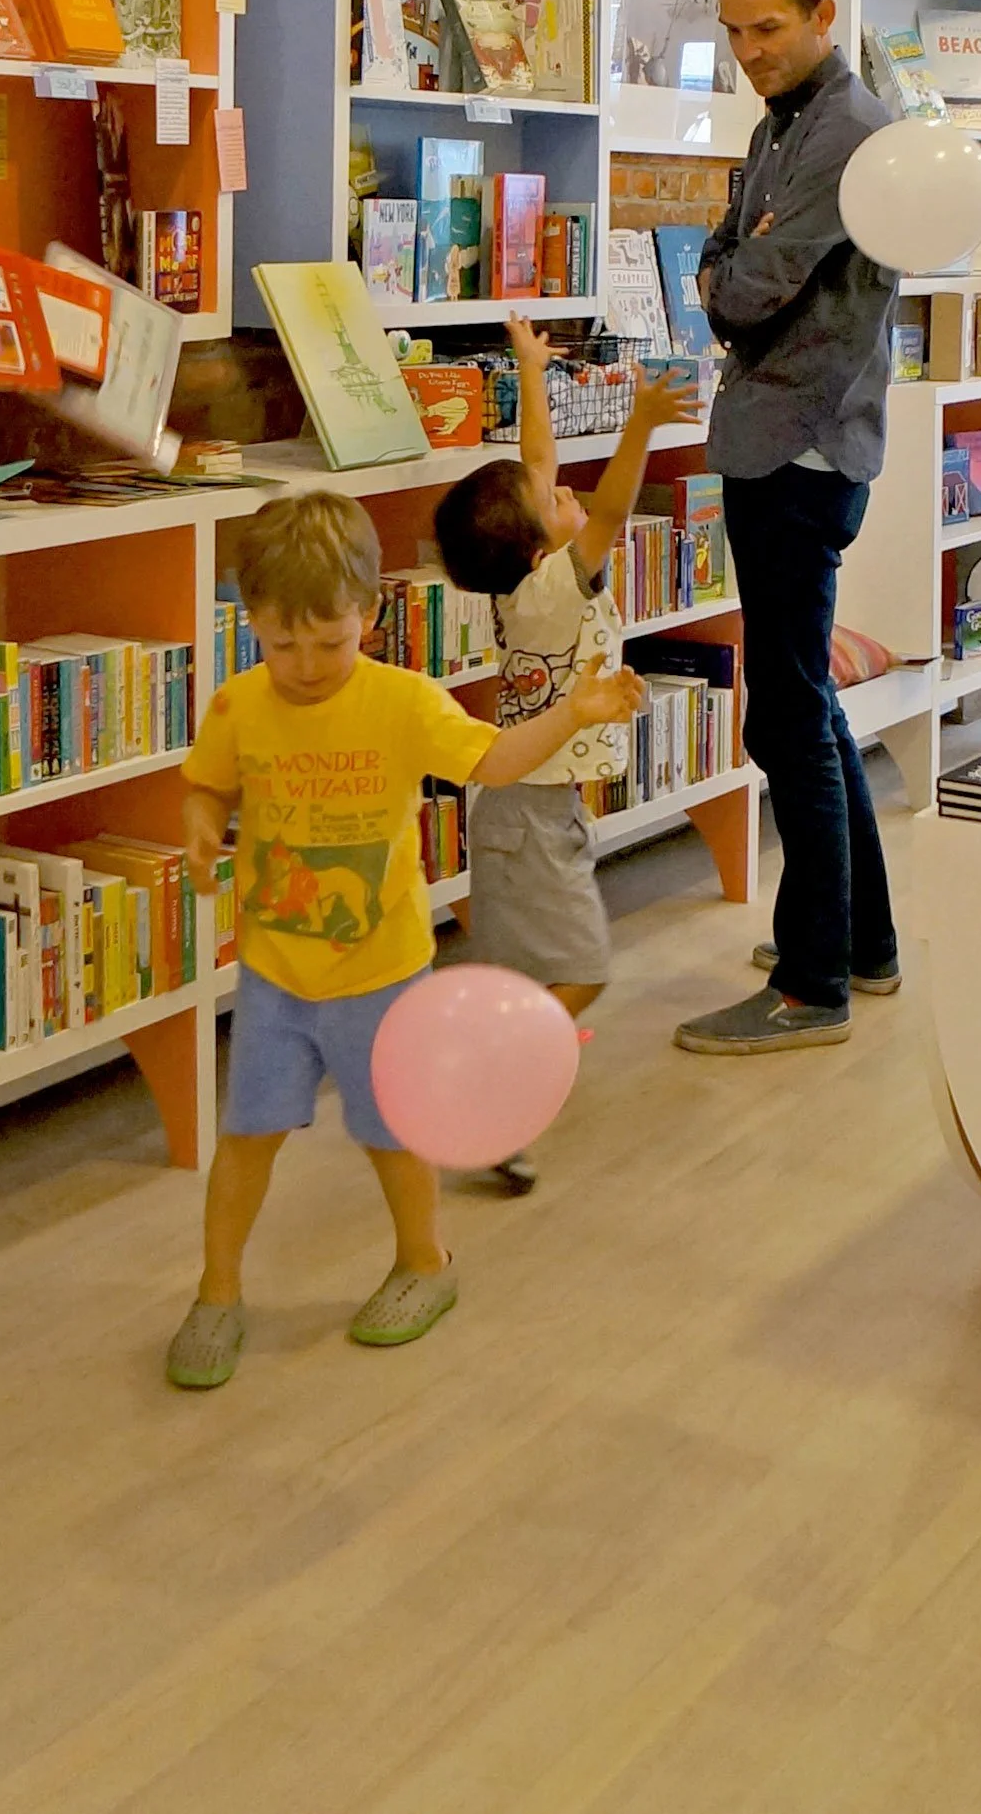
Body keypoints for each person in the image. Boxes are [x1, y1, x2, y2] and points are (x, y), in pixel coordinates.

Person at [166, 492, 644, 1389]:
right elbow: (209, 786)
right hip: (274, 973)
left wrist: (573, 715)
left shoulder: (403, 702)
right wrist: (198, 827)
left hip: (381, 974)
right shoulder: (239, 705)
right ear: (251, 624)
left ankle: (425, 1263)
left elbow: (495, 760)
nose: (305, 665)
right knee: (247, 1139)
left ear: (372, 614)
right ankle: (217, 1289)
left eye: (329, 641)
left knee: (393, 1135)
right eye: (280, 644)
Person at [672, 0, 903, 1057]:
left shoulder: (849, 130)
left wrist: (730, 269)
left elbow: (742, 285)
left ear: (821, 14)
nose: (749, 50)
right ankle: (859, 938)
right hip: (781, 438)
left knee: (786, 715)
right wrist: (732, 260)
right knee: (804, 703)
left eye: (768, 27)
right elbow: (725, 248)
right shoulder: (784, 126)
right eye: (734, 34)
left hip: (800, 445)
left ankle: (814, 981)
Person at [433, 323, 695, 1188]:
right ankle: (496, 1079)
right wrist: (641, 424)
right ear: (545, 548)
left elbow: (535, 459)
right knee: (582, 967)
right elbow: (612, 510)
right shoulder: (551, 590)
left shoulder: (525, 572)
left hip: (531, 808)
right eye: (553, 501)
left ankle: (488, 1076)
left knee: (533, 966)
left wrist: (535, 372)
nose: (566, 491)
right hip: (531, 815)